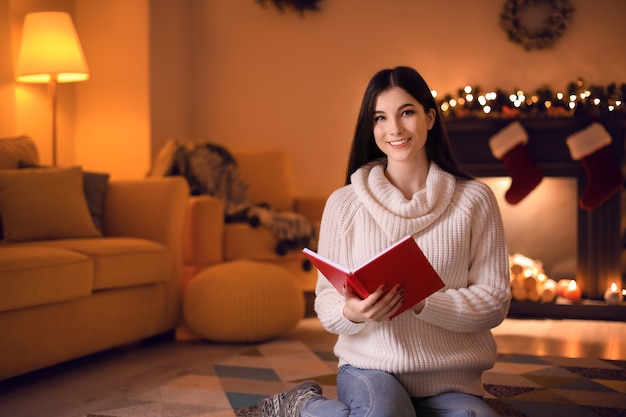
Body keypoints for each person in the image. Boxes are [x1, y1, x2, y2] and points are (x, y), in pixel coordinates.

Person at [238, 66, 511, 417]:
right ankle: (300, 406)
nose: (394, 129)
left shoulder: (475, 200)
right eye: (380, 118)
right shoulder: (344, 203)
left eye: (406, 113)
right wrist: (352, 313)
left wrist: (422, 302)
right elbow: (325, 303)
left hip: (450, 379)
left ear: (429, 118)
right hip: (370, 368)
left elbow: (494, 302)